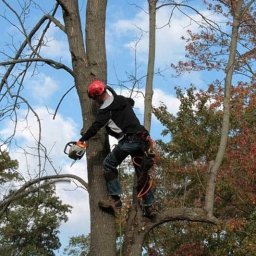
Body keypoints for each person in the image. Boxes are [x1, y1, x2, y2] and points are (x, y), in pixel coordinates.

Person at [78, 80, 156, 218]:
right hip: (143, 140)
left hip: (129, 140)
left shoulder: (105, 111)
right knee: (142, 173)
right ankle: (149, 207)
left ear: (97, 97)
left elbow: (95, 127)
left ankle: (115, 200)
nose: (95, 102)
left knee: (108, 164)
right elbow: (131, 102)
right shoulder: (121, 99)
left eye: (95, 99)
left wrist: (82, 139)